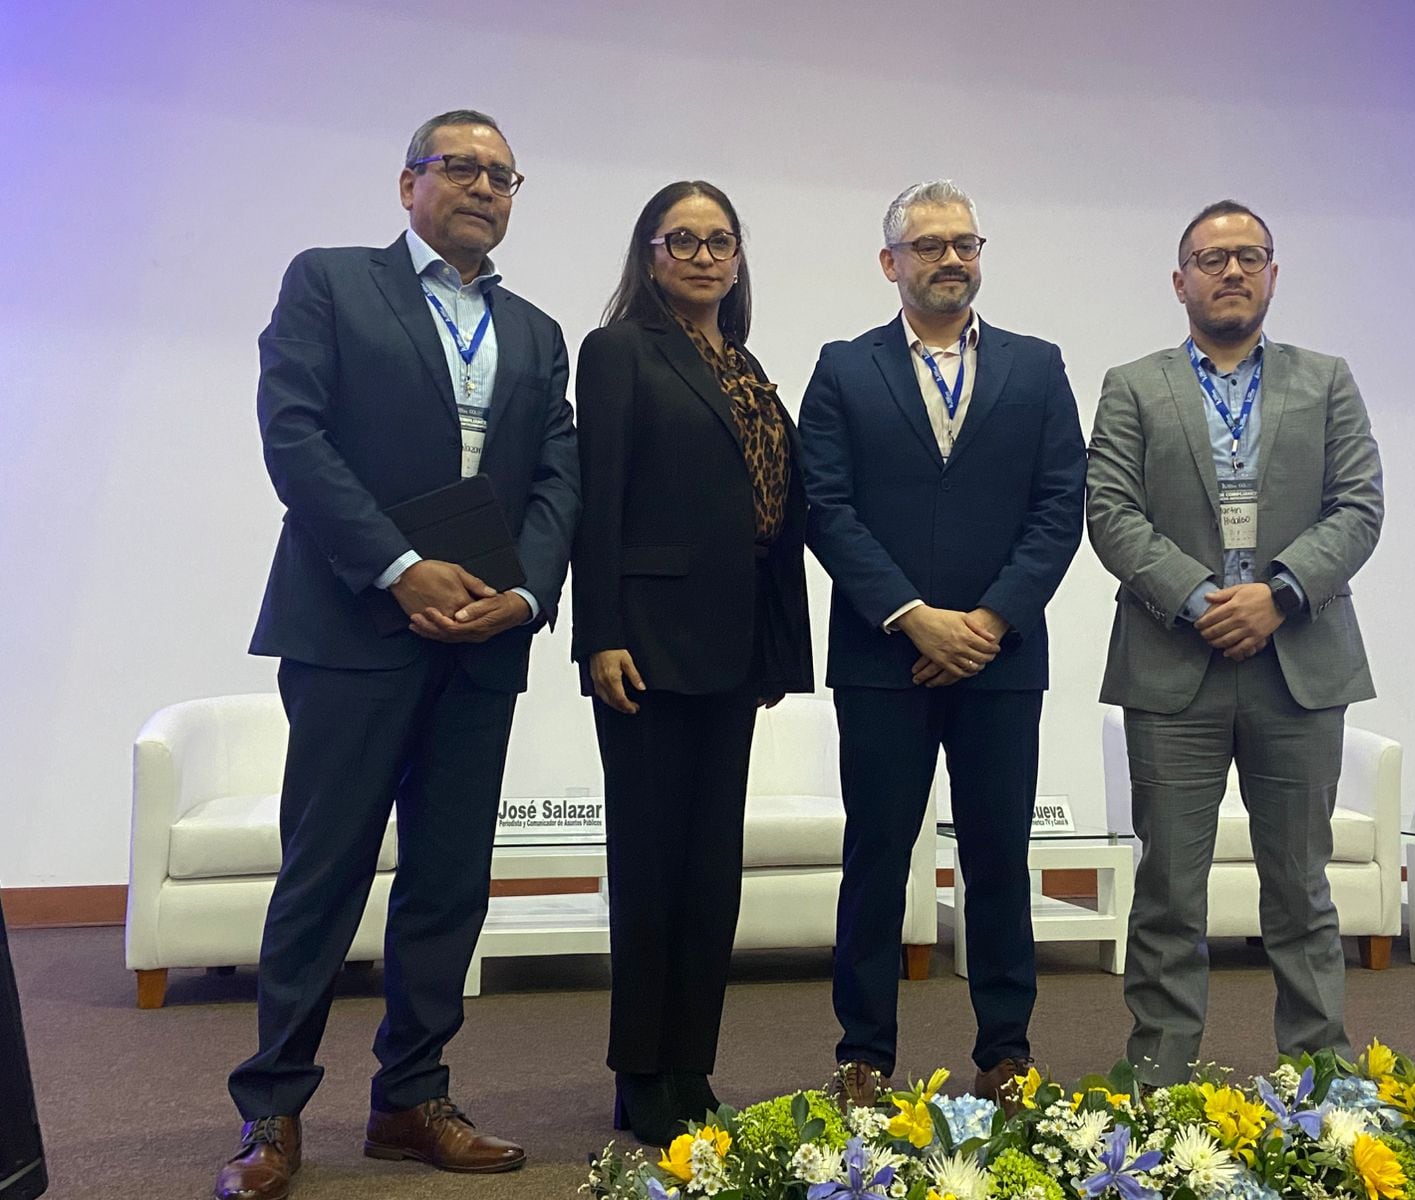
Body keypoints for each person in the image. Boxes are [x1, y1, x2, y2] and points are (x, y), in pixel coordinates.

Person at [217, 110, 579, 1200]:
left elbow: (560, 474)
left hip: (480, 643)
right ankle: (271, 1114)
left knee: (447, 881)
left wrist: (522, 590)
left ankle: (410, 1100)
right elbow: (296, 436)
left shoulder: (535, 330)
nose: (481, 187)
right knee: (323, 876)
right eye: (458, 167)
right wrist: (400, 568)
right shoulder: (330, 283)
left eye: (500, 174)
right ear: (408, 183)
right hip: (352, 628)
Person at [799, 180, 1085, 1111]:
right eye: (928, 246)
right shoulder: (843, 369)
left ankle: (1006, 1051)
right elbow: (825, 508)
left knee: (1000, 855)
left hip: (1004, 660)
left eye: (964, 242)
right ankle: (864, 1056)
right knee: (877, 856)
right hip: (884, 658)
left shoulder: (1038, 367)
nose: (950, 259)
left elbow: (1058, 507)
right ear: (891, 263)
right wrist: (913, 616)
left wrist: (990, 623)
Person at [1087, 200, 1383, 1085]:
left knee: (1300, 888)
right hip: (1174, 664)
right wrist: (1199, 599)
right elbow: (1109, 511)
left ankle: (1322, 1080)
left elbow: (1359, 507)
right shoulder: (1133, 384)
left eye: (1249, 255)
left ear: (1273, 275)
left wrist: (1279, 595)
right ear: (1179, 282)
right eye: (1210, 258)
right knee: (1170, 889)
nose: (1231, 271)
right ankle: (1160, 1078)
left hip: (1299, 664)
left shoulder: (1325, 379)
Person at [570, 181, 812, 1146]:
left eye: (721, 242)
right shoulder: (621, 350)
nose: (704, 256)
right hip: (649, 646)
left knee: (712, 871)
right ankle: (640, 1075)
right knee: (651, 866)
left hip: (736, 641)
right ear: (650, 252)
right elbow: (601, 500)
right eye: (683, 241)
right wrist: (600, 635)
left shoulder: (743, 364)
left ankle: (691, 1066)